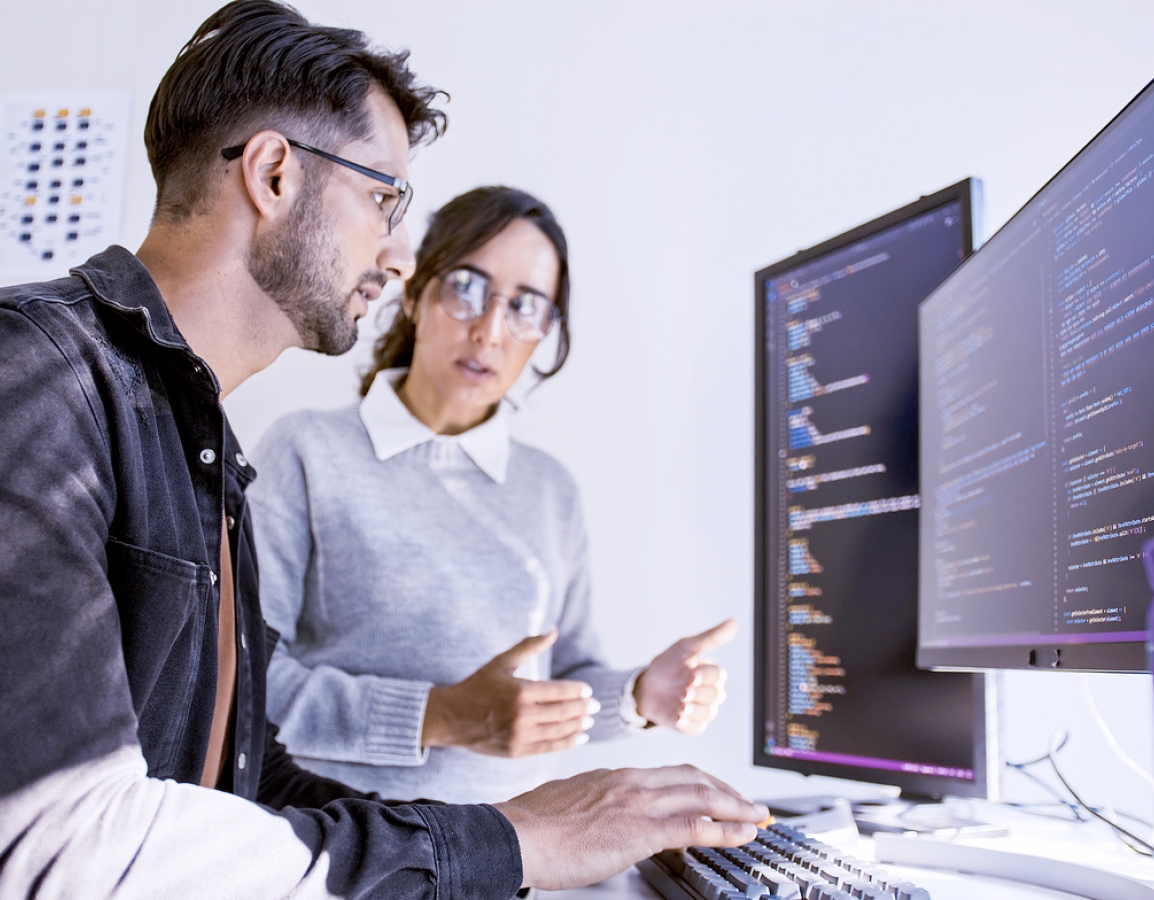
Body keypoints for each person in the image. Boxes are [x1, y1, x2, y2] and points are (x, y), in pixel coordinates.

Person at [0, 2, 769, 898]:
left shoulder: (205, 452)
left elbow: (248, 782)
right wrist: (510, 839)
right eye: (384, 199)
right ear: (275, 174)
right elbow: (62, 844)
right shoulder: (39, 379)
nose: (399, 254)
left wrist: (511, 841)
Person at [250, 186, 738, 804]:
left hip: (507, 850)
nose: (489, 331)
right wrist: (441, 715)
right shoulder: (306, 451)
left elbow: (559, 681)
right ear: (417, 294)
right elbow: (245, 684)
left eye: (526, 306)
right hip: (339, 842)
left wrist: (640, 696)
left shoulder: (549, 489)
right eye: (467, 288)